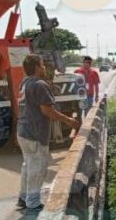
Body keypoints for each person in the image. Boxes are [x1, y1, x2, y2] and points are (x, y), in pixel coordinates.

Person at [16, 54, 80, 211]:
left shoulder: (24, 83)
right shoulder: (39, 84)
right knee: (37, 168)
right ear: (37, 67)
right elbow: (47, 111)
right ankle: (33, 202)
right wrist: (68, 121)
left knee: (28, 166)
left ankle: (23, 198)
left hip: (23, 131)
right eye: (42, 65)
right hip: (34, 133)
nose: (44, 67)